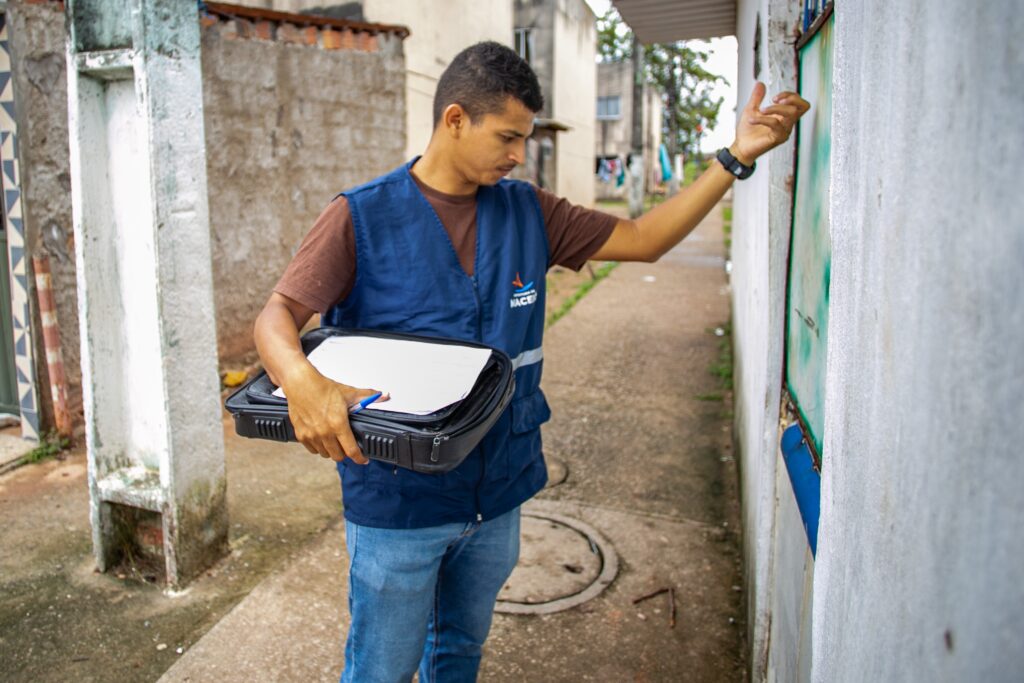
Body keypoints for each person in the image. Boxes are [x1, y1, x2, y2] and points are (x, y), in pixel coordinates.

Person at [254, 41, 808, 683]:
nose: (520, 154)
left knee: (459, 649)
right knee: (382, 667)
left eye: (526, 139)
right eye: (509, 137)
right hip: (398, 502)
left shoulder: (530, 212)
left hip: (501, 491)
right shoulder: (360, 215)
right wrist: (303, 382)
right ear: (455, 119)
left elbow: (647, 239)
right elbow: (276, 318)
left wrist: (734, 158)